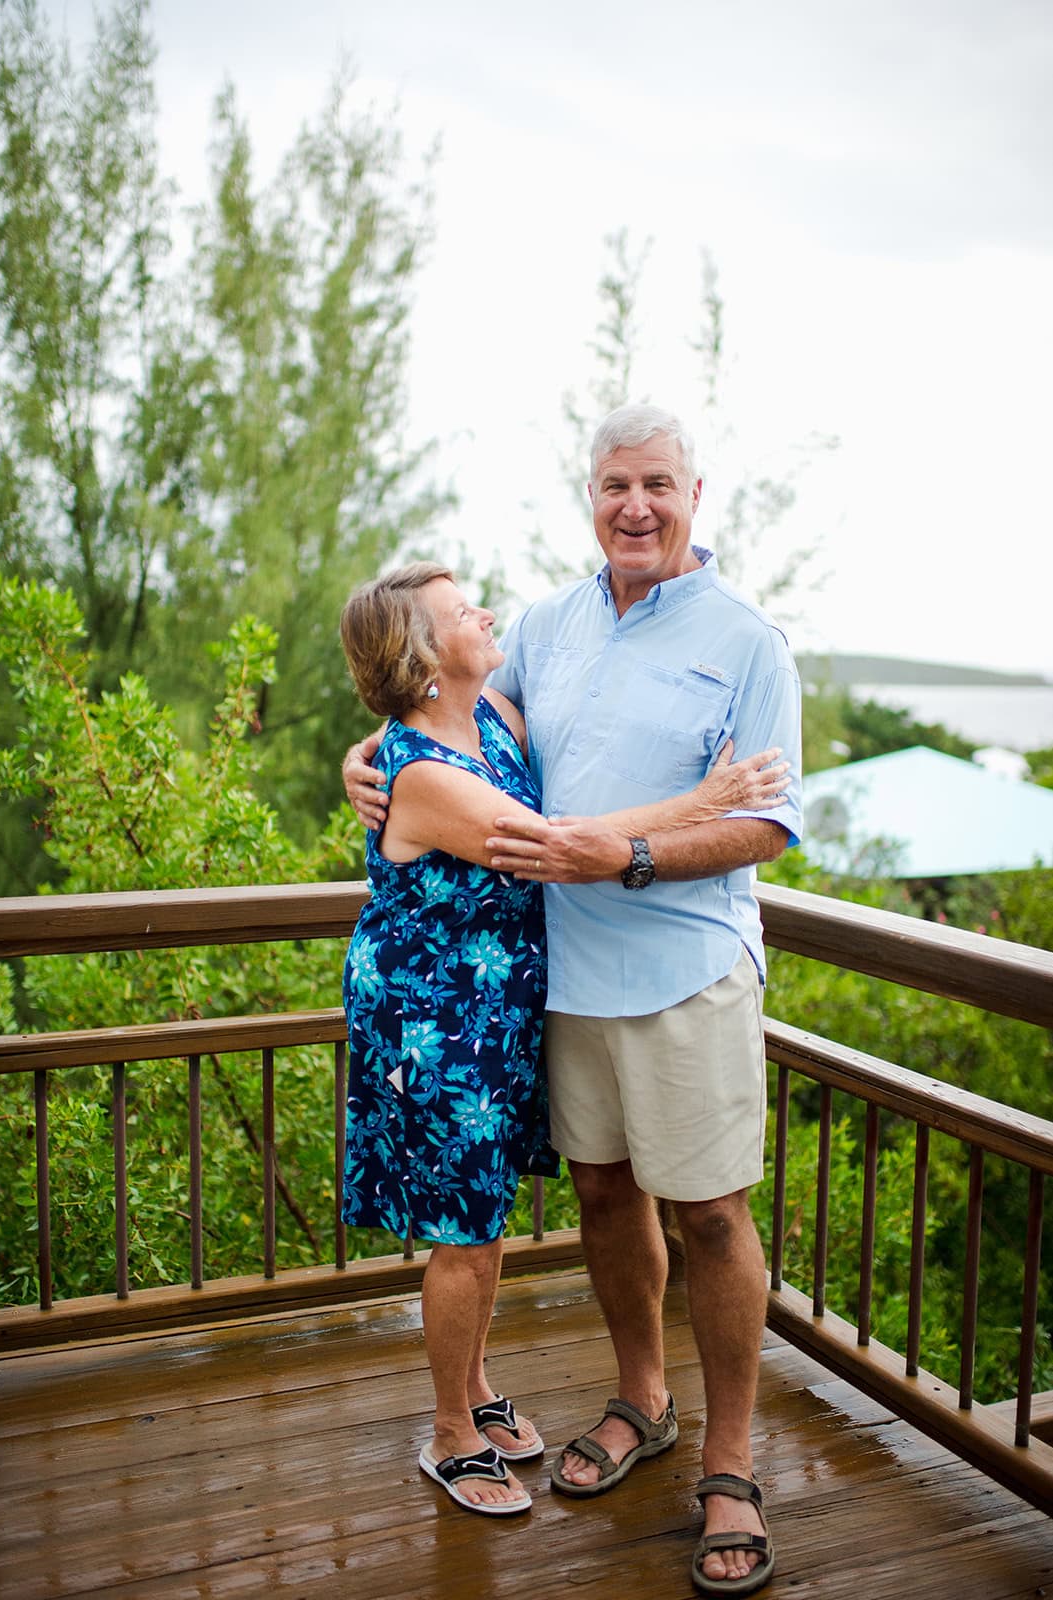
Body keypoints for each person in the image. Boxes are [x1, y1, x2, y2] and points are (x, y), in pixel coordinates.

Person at [344, 407, 801, 1595]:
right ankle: (641, 1402)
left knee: (710, 1217)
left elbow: (769, 823)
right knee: (602, 1197)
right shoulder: (547, 625)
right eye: (614, 485)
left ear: (698, 493)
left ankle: (732, 1461)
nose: (635, 506)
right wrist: (368, 756)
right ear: (589, 495)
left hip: (687, 972)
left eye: (657, 483)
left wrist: (646, 852)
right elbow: (447, 729)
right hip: (561, 985)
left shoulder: (750, 641)